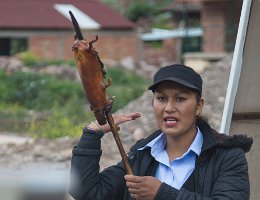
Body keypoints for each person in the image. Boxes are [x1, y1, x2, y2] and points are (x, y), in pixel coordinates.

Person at [69, 64, 253, 200]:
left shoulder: (227, 157)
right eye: (161, 98)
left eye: (180, 99)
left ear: (199, 106)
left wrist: (162, 193)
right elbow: (86, 193)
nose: (169, 108)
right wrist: (92, 133)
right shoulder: (141, 156)